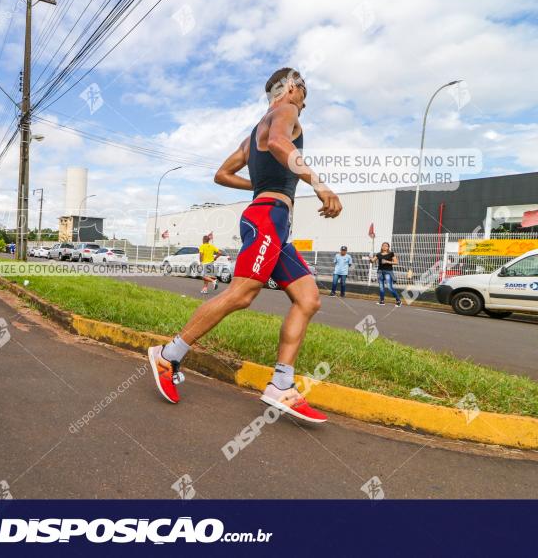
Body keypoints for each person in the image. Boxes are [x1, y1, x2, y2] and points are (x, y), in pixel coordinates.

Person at [146, 68, 342, 423]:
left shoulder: (255, 133)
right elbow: (283, 145)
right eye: (304, 93)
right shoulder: (286, 112)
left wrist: (259, 184)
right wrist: (319, 185)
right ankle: (167, 355)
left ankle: (281, 384)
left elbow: (221, 174)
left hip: (273, 222)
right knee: (241, 294)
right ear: (292, 88)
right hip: (268, 218)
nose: (305, 102)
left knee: (308, 298)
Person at [370, 242, 401, 306]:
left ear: (388, 247)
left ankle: (398, 300)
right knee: (381, 287)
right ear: (381, 247)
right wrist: (370, 259)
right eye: (383, 245)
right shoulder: (378, 254)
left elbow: (396, 262)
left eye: (386, 246)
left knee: (389, 287)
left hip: (388, 272)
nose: (384, 247)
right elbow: (372, 260)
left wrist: (387, 261)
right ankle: (382, 301)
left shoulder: (391, 254)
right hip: (380, 272)